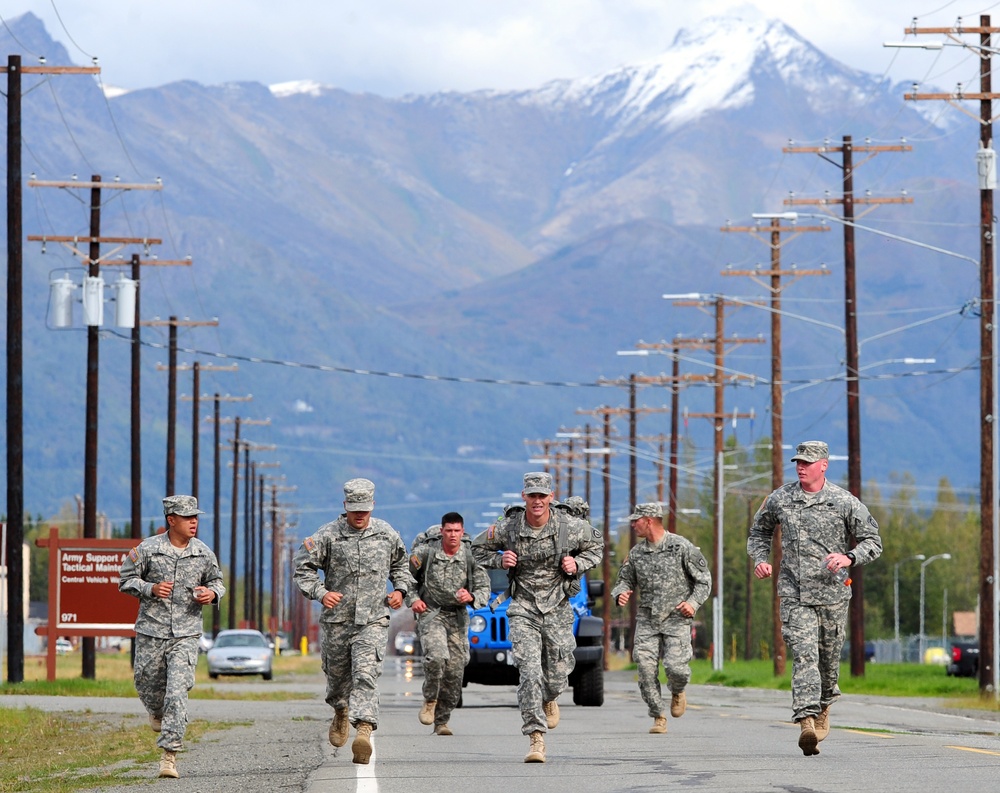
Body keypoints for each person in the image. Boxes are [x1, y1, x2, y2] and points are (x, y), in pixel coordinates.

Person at [747, 440, 883, 757]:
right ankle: (806, 720)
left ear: (823, 465)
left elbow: (873, 542)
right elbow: (759, 532)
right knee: (805, 654)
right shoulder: (781, 499)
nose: (801, 466)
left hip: (833, 594)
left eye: (808, 462)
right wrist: (760, 560)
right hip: (794, 592)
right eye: (798, 461)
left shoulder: (843, 501)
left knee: (828, 661)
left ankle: (823, 707)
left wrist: (849, 557)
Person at [472, 472, 604, 763]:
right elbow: (477, 548)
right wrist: (499, 559)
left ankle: (551, 696)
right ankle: (536, 738)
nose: (537, 501)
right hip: (523, 609)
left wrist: (577, 562)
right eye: (532, 495)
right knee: (529, 673)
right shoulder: (508, 528)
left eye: (542, 496)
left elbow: (597, 548)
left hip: (557, 608)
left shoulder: (570, 527)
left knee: (558, 674)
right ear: (524, 497)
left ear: (551, 497)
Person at [293, 478, 413, 765]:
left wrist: (400, 590)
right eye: (354, 510)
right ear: (345, 505)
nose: (360, 515)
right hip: (337, 622)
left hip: (373, 620)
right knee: (337, 682)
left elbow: (401, 565)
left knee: (365, 674)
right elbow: (302, 569)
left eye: (365, 510)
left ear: (373, 506)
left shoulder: (386, 534)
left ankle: (364, 729)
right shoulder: (327, 536)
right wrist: (322, 593)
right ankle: (341, 710)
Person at [119, 495, 225, 780]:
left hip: (186, 634)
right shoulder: (148, 550)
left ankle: (169, 756)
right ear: (171, 520)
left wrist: (211, 593)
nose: (194, 522)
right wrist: (150, 588)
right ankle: (156, 711)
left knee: (177, 693)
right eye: (188, 518)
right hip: (151, 631)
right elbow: (125, 580)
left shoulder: (203, 553)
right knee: (146, 682)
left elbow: (217, 581)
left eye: (196, 517)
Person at [611, 502, 711, 734]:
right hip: (647, 619)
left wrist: (692, 603)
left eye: (637, 520)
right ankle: (658, 715)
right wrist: (622, 593)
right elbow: (624, 580)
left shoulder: (681, 547)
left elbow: (704, 580)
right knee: (645, 669)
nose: (633, 524)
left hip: (676, 618)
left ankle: (677, 690)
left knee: (676, 668)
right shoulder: (636, 553)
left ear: (649, 521)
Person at [407, 511, 490, 735]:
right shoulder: (426, 553)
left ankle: (442, 720)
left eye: (457, 531)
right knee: (436, 656)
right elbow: (405, 579)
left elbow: (484, 588)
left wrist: (472, 597)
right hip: (432, 613)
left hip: (458, 617)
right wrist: (413, 600)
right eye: (449, 531)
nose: (453, 535)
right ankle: (430, 699)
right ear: (442, 531)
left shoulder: (471, 556)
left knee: (455, 670)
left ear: (462, 532)